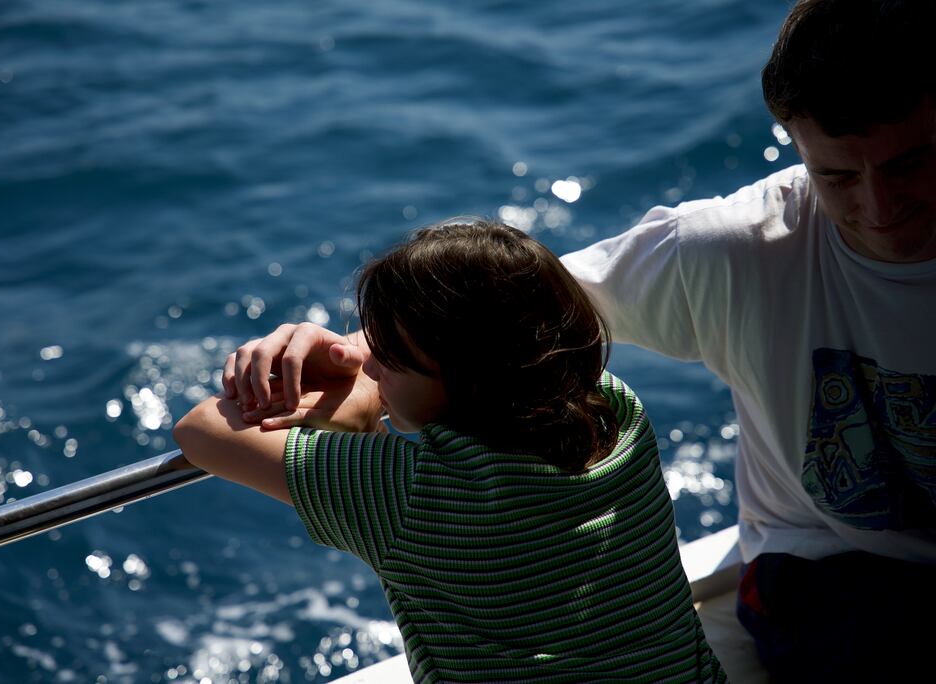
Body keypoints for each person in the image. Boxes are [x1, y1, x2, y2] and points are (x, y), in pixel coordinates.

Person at [225, 2, 936, 680]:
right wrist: (360, 352)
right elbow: (505, 318)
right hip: (825, 574)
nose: (878, 207)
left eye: (909, 164)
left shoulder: (410, 500)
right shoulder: (730, 251)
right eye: (836, 175)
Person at [175, 220, 727, 683]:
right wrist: (381, 372)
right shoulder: (616, 412)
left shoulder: (412, 494)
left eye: (390, 356)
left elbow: (200, 430)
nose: (368, 364)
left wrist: (355, 396)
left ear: (468, 379)